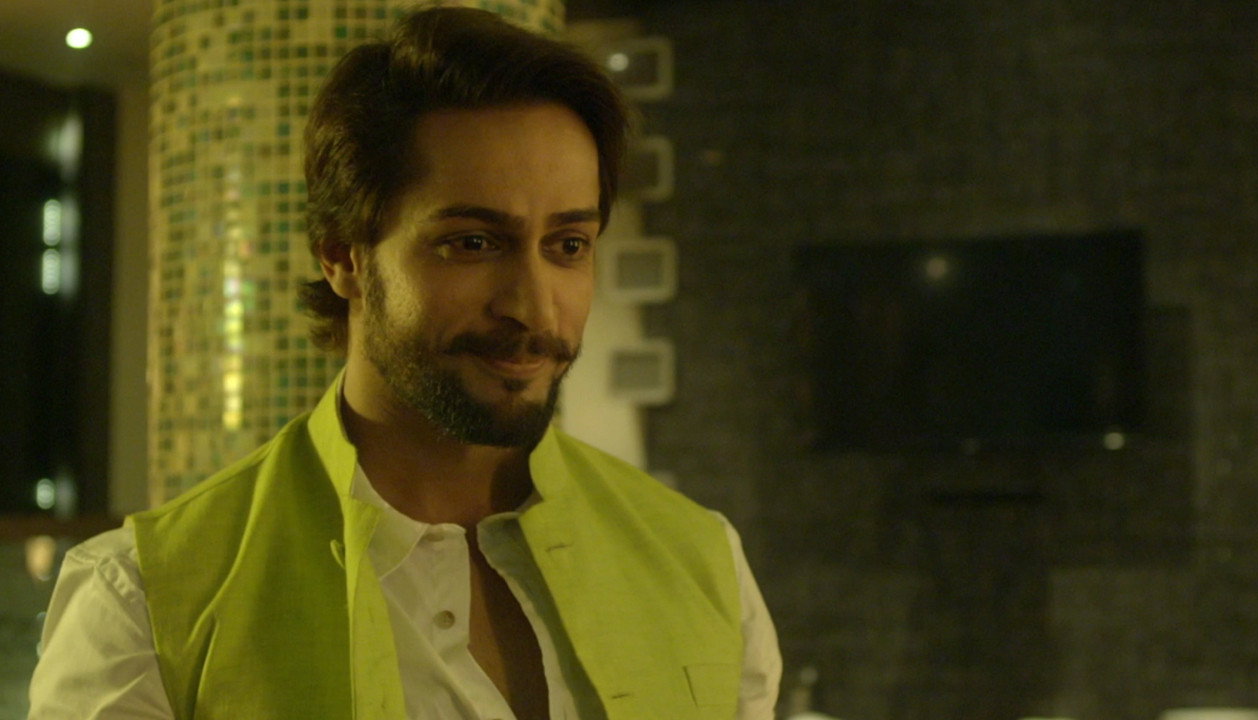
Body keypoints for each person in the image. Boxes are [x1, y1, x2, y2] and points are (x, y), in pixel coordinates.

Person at [28, 7, 781, 720]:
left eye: (568, 245)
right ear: (342, 256)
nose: (534, 307)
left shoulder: (700, 562)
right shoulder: (144, 600)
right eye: (471, 243)